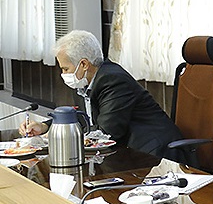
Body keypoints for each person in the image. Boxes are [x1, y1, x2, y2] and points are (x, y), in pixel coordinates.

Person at [20, 30, 184, 160]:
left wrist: (58, 137)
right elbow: (81, 117)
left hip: (154, 154)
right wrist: (45, 127)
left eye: (65, 69)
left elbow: (105, 132)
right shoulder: (85, 81)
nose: (63, 74)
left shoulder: (113, 81)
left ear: (83, 64)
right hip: (125, 153)